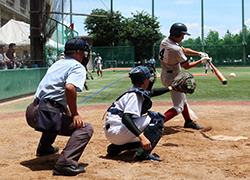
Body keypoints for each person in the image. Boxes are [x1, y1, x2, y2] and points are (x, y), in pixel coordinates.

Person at [25, 38, 93, 176]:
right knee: (85, 129)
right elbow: (69, 87)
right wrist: (74, 113)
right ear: (78, 52)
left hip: (33, 110)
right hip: (44, 114)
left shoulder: (58, 64)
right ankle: (65, 164)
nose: (85, 56)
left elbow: (54, 94)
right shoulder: (77, 66)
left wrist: (67, 111)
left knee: (57, 115)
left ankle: (44, 148)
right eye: (84, 53)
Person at [104, 65, 175, 162]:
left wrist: (171, 88)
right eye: (148, 78)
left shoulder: (133, 91)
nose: (150, 80)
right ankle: (142, 155)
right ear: (144, 80)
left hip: (113, 132)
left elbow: (152, 93)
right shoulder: (135, 95)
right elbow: (126, 118)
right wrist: (141, 137)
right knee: (157, 119)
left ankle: (117, 148)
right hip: (118, 131)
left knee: (148, 135)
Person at [159, 22, 211, 130]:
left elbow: (183, 49)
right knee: (178, 106)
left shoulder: (166, 41)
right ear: (177, 34)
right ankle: (157, 123)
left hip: (166, 74)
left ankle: (188, 121)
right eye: (182, 35)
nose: (183, 37)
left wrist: (199, 53)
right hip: (172, 78)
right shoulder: (175, 49)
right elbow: (186, 66)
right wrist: (201, 61)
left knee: (183, 100)